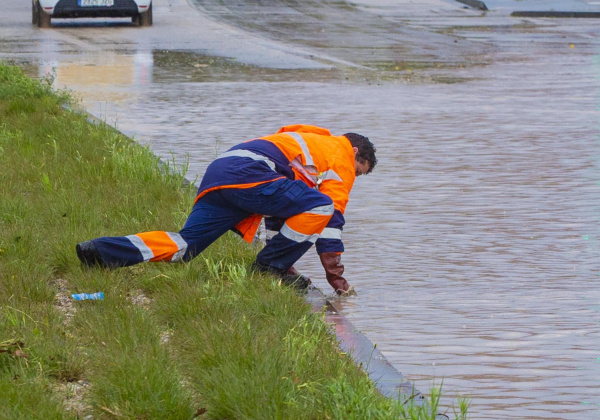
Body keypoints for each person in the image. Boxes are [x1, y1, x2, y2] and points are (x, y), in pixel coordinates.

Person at [76, 125, 376, 295]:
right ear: (355, 154)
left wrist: (287, 264)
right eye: (359, 172)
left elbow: (284, 213)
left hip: (222, 172)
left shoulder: (313, 142)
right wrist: (338, 280)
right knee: (322, 206)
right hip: (250, 173)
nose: (354, 176)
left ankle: (100, 251)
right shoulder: (341, 155)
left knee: (185, 247)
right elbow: (331, 217)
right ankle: (267, 269)